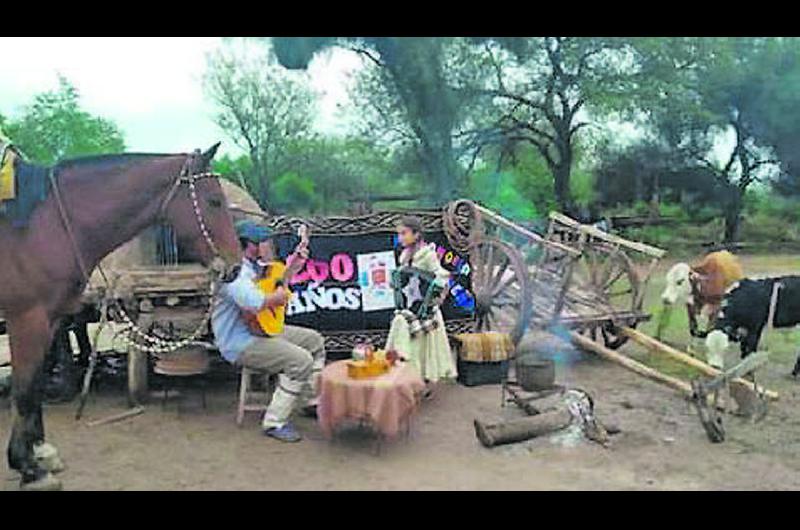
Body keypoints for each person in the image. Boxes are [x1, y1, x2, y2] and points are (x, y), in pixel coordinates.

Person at [212, 220, 325, 443]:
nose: (269, 245)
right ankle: (275, 422)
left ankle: (308, 401)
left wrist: (292, 268)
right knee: (300, 360)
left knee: (314, 341)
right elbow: (253, 302)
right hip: (240, 343)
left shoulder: (257, 266)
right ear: (250, 245)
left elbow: (274, 285)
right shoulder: (234, 271)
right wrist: (277, 299)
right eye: (264, 241)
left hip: (260, 331)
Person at [386, 216, 457, 395]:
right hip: (410, 306)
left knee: (420, 346)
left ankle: (419, 382)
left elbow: (441, 276)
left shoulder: (427, 254)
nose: (400, 238)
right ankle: (408, 378)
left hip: (424, 311)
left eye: (404, 233)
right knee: (404, 329)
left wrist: (436, 295)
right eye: (399, 234)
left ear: (416, 234)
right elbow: (403, 280)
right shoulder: (405, 255)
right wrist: (396, 282)